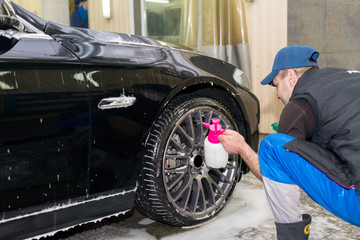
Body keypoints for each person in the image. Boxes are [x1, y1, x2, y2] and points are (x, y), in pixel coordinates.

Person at [218, 45, 360, 240]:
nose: (277, 95)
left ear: (291, 77)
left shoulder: (300, 103)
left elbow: (273, 171)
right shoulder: (345, 77)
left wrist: (242, 147)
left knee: (272, 147)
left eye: (276, 84)